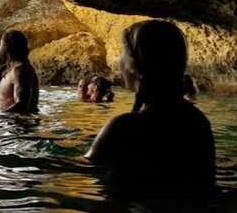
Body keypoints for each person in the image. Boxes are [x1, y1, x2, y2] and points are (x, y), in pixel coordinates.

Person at [85, 20, 215, 190]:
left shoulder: (124, 126)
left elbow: (86, 169)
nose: (119, 62)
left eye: (121, 53)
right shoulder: (198, 121)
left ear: (132, 65)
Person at [0, 30, 39, 114]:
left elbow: (22, 105)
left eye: (1, 45)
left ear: (7, 46)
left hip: (17, 124)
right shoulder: (12, 70)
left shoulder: (20, 70)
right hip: (9, 122)